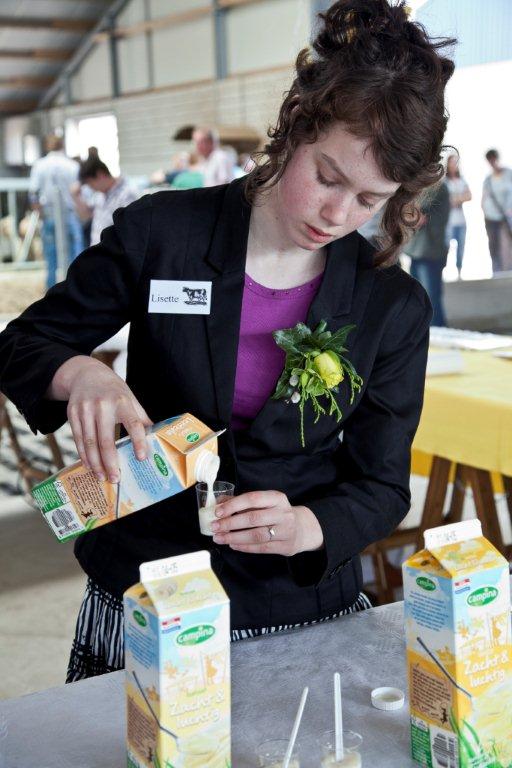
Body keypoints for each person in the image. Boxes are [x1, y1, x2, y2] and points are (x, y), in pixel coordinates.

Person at [0, 0, 454, 681]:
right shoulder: (165, 234)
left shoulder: (390, 304)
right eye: (328, 177)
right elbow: (24, 343)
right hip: (149, 589)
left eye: (368, 200)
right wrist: (78, 374)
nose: (338, 214)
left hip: (297, 601)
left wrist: (310, 526)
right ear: (296, 126)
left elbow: (383, 483)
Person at [29, 134, 84, 289]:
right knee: (76, 252)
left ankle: (52, 291)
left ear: (47, 146)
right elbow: (79, 191)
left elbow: (33, 193)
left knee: (51, 254)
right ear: (63, 145)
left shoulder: (39, 165)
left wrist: (39, 212)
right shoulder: (72, 165)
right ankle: (76, 287)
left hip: (49, 213)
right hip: (70, 213)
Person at [406, 181, 451, 327]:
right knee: (419, 297)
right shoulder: (422, 186)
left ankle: (438, 331)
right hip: (417, 251)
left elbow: (415, 213)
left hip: (430, 251)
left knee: (431, 298)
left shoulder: (437, 187)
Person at [77, 157, 139, 246]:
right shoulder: (99, 195)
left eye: (90, 183)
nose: (91, 188)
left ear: (100, 174)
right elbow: (86, 216)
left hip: (114, 254)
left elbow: (131, 230)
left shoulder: (127, 194)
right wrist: (75, 196)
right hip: (98, 252)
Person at [481, 149, 512, 274]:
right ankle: (497, 269)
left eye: (493, 159)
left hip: (507, 215)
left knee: (507, 242)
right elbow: (484, 197)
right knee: (494, 244)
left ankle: (508, 268)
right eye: (490, 160)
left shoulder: (508, 174)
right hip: (491, 216)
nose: (492, 162)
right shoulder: (488, 179)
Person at [445, 154, 471, 278]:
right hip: (448, 221)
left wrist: (456, 199)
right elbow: (444, 200)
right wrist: (458, 198)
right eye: (452, 162)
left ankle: (459, 271)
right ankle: (442, 271)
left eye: (456, 162)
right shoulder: (444, 182)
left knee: (461, 247)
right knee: (446, 247)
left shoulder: (462, 180)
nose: (455, 165)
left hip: (461, 221)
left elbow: (469, 196)